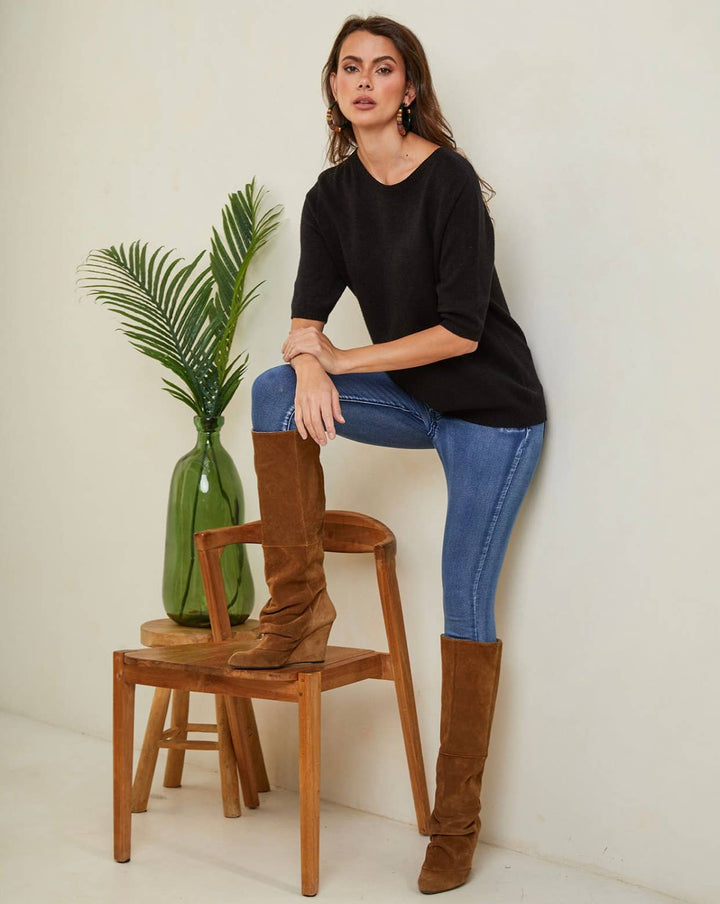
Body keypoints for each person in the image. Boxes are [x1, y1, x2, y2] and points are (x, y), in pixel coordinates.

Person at [228, 14, 547, 895]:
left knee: (463, 603)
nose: (365, 81)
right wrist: (305, 361)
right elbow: (303, 322)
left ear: (410, 89)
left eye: (384, 68)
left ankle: (455, 826)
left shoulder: (448, 182)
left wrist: (341, 361)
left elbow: (459, 331)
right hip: (414, 403)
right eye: (348, 68)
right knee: (268, 390)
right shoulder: (331, 197)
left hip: (490, 411)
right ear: (334, 88)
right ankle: (297, 616)